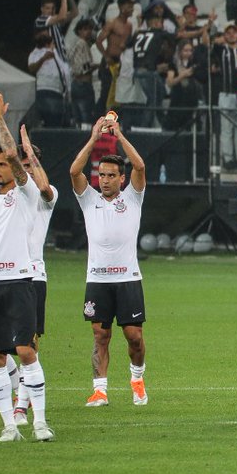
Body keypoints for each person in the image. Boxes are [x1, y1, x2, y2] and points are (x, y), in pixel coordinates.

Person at [0, 94, 54, 442]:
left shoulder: (28, 195)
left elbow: (12, 153)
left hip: (20, 281)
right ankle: (10, 426)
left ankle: (39, 422)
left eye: (0, 166)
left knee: (25, 350)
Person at [69, 115, 149, 408]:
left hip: (128, 278)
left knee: (134, 337)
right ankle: (100, 390)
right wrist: (93, 138)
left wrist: (119, 135)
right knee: (100, 335)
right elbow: (74, 170)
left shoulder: (133, 198)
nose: (104, 180)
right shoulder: (88, 199)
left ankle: (137, 379)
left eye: (111, 175)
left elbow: (140, 166)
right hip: (98, 279)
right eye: (101, 175)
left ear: (121, 179)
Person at [11, 128, 56, 427]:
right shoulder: (4, 194)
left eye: (29, 165)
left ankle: (22, 405)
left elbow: (42, 188)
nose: (24, 171)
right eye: (21, 165)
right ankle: (18, 385)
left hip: (32, 275)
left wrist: (27, 149)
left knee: (28, 345)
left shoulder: (47, 195)